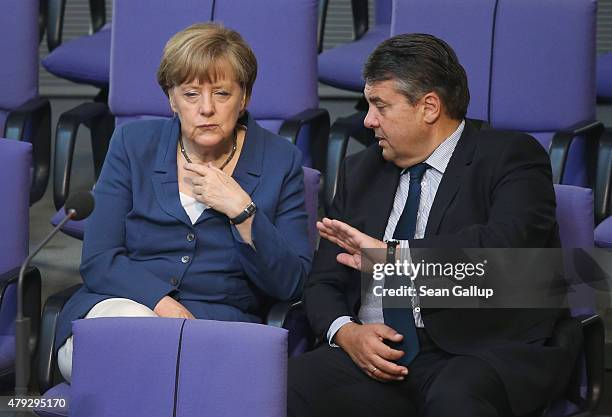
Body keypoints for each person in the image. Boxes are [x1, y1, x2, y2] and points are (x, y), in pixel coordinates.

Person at [288, 33, 571, 417]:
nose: (368, 121)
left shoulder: (510, 157)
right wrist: (346, 332)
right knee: (288, 384)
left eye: (380, 106)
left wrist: (391, 258)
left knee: (456, 399)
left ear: (429, 107)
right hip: (377, 353)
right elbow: (323, 281)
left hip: (475, 350)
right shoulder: (362, 170)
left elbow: (506, 250)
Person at [55, 23, 312, 382]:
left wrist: (243, 212)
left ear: (244, 98)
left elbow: (292, 283)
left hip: (213, 333)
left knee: (144, 373)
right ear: (171, 99)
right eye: (191, 94)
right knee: (137, 340)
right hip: (118, 312)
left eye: (221, 93)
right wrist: (160, 303)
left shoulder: (279, 160)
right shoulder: (132, 144)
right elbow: (99, 259)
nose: (206, 109)